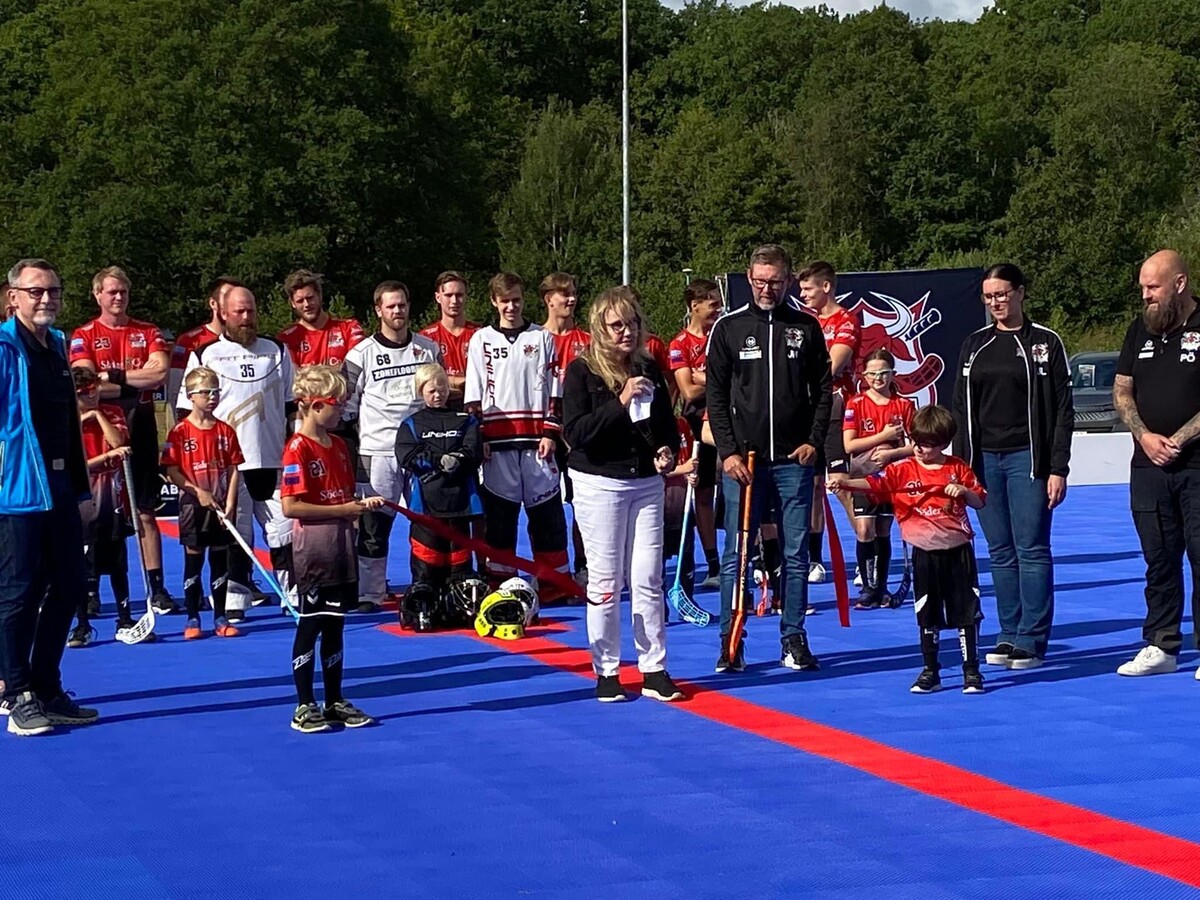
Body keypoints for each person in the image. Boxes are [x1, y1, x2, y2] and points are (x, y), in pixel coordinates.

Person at [706, 244, 832, 673]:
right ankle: (731, 639)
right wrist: (727, 453)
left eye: (775, 282)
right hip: (745, 463)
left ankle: (793, 637)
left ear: (788, 280)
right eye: (760, 281)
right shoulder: (729, 328)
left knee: (795, 554)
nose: (766, 289)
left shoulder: (806, 326)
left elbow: (824, 390)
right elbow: (716, 397)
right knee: (737, 554)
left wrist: (814, 441)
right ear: (749, 277)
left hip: (794, 460)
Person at [563, 287, 684, 702]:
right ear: (600, 329)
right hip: (599, 482)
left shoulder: (648, 366)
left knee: (649, 577)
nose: (627, 332)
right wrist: (620, 400)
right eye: (617, 325)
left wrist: (668, 450)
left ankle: (654, 667)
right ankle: (607, 670)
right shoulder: (581, 372)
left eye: (632, 323)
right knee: (605, 579)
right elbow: (576, 433)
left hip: (646, 481)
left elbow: (666, 424)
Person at [952, 263, 1072, 670]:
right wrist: (960, 467)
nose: (995, 303)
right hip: (984, 460)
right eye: (988, 297)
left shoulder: (1045, 343)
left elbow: (1063, 411)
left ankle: (1032, 638)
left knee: (1031, 548)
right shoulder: (974, 344)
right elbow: (959, 408)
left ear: (1020, 292)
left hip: (1029, 459)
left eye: (1001, 294)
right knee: (1000, 550)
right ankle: (1008, 632)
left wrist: (1058, 468)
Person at [0, 259, 99, 735]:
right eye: (35, 291)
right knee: (18, 591)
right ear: (13, 297)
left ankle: (45, 685)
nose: (46, 299)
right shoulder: (4, 347)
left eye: (53, 291)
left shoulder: (59, 345)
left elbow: (68, 421)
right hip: (15, 488)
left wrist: (81, 485)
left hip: (59, 485)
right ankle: (16, 692)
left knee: (70, 584)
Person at [831, 405, 988, 693]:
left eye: (927, 445)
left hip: (959, 552)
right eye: (915, 441)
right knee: (926, 612)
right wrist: (846, 483)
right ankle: (931, 670)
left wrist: (964, 492)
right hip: (923, 553)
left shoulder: (957, 468)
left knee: (966, 613)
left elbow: (980, 500)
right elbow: (874, 484)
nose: (919, 449)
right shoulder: (902, 469)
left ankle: (971, 670)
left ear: (943, 444)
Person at [177, 283, 296, 622]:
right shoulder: (205, 354)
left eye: (251, 311)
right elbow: (187, 413)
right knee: (236, 534)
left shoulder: (277, 351)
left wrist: (296, 448)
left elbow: (292, 406)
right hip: (229, 466)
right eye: (239, 311)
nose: (246, 317)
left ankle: (292, 594)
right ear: (223, 313)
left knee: (283, 531)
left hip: (273, 459)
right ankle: (235, 599)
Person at [1112, 250, 1200, 677]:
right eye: (1143, 288)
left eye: (1153, 287)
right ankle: (1161, 644)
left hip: (1196, 465)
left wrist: (1178, 440)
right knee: (1159, 558)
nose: (1146, 295)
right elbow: (1122, 390)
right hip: (1148, 466)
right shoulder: (1139, 329)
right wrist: (1145, 436)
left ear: (1179, 284)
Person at [281, 365, 383, 733]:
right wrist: (342, 510)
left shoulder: (340, 446)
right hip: (315, 552)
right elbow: (291, 506)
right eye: (336, 404)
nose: (342, 410)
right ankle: (304, 703)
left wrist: (358, 506)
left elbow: (343, 496)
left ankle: (334, 698)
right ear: (313, 405)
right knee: (311, 624)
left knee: (336, 625)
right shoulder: (297, 448)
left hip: (342, 546)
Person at [69, 266, 175, 613]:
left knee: (145, 508)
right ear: (97, 294)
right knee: (94, 511)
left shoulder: (148, 331)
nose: (118, 297)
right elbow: (87, 383)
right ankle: (91, 590)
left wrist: (112, 376)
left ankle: (156, 587)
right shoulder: (84, 334)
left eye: (123, 292)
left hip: (140, 421)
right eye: (112, 291)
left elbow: (159, 374)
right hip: (97, 424)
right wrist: (131, 381)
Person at [465, 273, 570, 597]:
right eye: (505, 301)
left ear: (524, 300)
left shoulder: (542, 337)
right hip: (497, 444)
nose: (511, 307)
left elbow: (555, 390)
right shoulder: (481, 339)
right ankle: (501, 583)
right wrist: (480, 437)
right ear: (494, 302)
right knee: (500, 519)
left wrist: (550, 432)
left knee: (547, 515)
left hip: (538, 442)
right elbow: (473, 394)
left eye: (516, 300)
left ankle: (554, 584)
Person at [342, 280, 442, 612]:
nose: (397, 311)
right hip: (377, 453)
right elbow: (345, 409)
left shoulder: (429, 349)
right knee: (374, 527)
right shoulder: (361, 354)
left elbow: (439, 396)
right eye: (390, 306)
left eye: (402, 304)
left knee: (427, 523)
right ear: (378, 310)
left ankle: (426, 586)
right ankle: (369, 594)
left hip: (421, 451)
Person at [162, 366, 244, 639]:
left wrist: (230, 502)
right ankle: (192, 617)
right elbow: (172, 471)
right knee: (194, 561)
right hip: (192, 506)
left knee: (220, 561)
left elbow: (234, 468)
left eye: (216, 392)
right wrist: (197, 492)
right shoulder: (179, 432)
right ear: (191, 396)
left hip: (220, 506)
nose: (212, 397)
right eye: (206, 392)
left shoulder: (225, 430)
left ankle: (220, 616)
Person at [395, 363, 484, 598]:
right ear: (420, 391)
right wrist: (437, 461)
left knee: (460, 562)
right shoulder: (410, 424)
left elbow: (473, 451)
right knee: (427, 561)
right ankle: (426, 601)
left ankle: (460, 602)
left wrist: (457, 459)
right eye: (431, 390)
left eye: (442, 389)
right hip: (426, 503)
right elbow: (407, 455)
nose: (437, 395)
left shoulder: (466, 421)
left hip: (460, 502)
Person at [798, 261, 860, 585]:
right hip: (806, 410)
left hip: (837, 406)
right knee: (811, 485)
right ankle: (814, 560)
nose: (803, 295)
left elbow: (831, 367)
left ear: (826, 287)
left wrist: (799, 370)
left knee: (840, 483)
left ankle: (864, 556)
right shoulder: (803, 322)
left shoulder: (846, 320)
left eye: (807, 289)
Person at [841, 348, 915, 609]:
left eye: (883, 373)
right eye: (872, 373)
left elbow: (916, 446)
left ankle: (880, 587)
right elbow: (849, 445)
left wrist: (892, 453)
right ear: (864, 375)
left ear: (892, 374)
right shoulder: (856, 404)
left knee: (883, 530)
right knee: (864, 529)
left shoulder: (903, 405)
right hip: (864, 476)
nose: (878, 378)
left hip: (891, 477)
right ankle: (868, 587)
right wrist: (883, 437)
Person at [69, 367, 134, 648]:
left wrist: (96, 415)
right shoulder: (66, 421)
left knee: (118, 565)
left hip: (112, 499)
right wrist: (106, 457)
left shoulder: (112, 412)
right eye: (85, 393)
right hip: (81, 503)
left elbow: (119, 442)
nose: (92, 395)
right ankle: (82, 625)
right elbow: (77, 468)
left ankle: (125, 619)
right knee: (82, 568)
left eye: (95, 389)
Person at [669, 279, 724, 588]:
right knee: (702, 494)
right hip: (697, 425)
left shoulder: (724, 335)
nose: (718, 309)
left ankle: (754, 560)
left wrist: (706, 376)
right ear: (695, 306)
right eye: (713, 304)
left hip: (727, 419)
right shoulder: (680, 344)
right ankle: (713, 564)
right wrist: (718, 379)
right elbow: (688, 390)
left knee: (740, 488)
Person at [540, 272, 591, 586]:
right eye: (564, 294)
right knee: (545, 505)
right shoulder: (534, 339)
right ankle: (552, 570)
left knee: (581, 502)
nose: (571, 299)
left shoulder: (587, 341)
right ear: (549, 299)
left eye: (573, 293)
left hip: (577, 433)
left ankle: (584, 565)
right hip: (542, 433)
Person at [169, 276, 238, 408]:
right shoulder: (189, 341)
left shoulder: (246, 341)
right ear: (213, 303)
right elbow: (175, 386)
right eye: (227, 297)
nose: (232, 303)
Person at [277, 269, 366, 369]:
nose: (306, 304)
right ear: (292, 303)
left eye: (310, 298)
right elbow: (293, 375)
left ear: (320, 295)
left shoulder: (350, 329)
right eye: (300, 301)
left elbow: (356, 368)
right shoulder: (287, 339)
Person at [419, 271, 479, 408]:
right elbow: (424, 383)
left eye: (459, 295)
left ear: (466, 296)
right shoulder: (425, 338)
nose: (454, 301)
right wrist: (462, 383)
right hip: (440, 410)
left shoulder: (481, 335)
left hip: (475, 409)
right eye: (448, 295)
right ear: (438, 297)